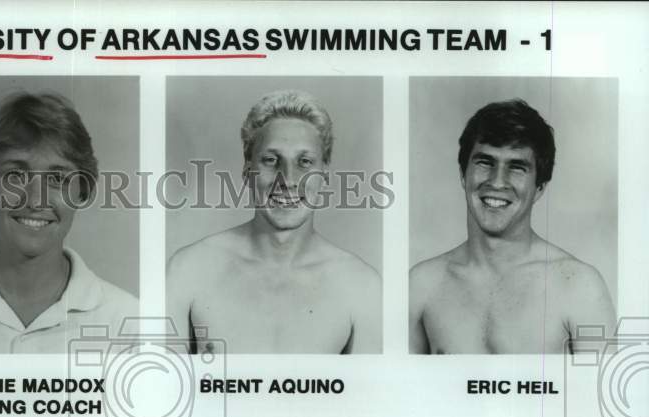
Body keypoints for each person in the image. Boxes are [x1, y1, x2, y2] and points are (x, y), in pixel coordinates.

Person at [166, 89, 381, 354]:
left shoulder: (362, 286)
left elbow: (367, 394)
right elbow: (166, 391)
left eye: (304, 162)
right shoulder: (188, 269)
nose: (288, 180)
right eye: (270, 160)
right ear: (248, 170)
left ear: (324, 173)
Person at [0, 92, 138, 353]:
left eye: (57, 179)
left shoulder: (130, 323)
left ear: (82, 193)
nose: (36, 200)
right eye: (15, 175)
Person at [409, 99, 615, 354]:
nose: (497, 182)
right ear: (463, 175)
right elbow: (403, 392)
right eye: (485, 162)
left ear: (539, 187)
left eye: (517, 167)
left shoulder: (579, 286)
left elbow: (600, 393)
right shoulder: (422, 284)